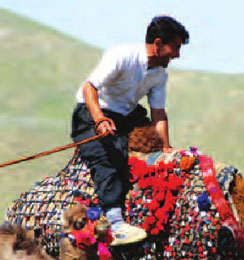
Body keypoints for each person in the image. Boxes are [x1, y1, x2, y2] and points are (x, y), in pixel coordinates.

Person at [71, 16, 189, 246]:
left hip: (126, 115)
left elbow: (158, 113)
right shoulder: (122, 56)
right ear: (158, 44)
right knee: (109, 154)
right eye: (174, 48)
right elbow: (89, 87)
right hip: (93, 110)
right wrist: (99, 120)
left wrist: (165, 147)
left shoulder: (159, 75)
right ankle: (114, 223)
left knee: (150, 147)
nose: (177, 55)